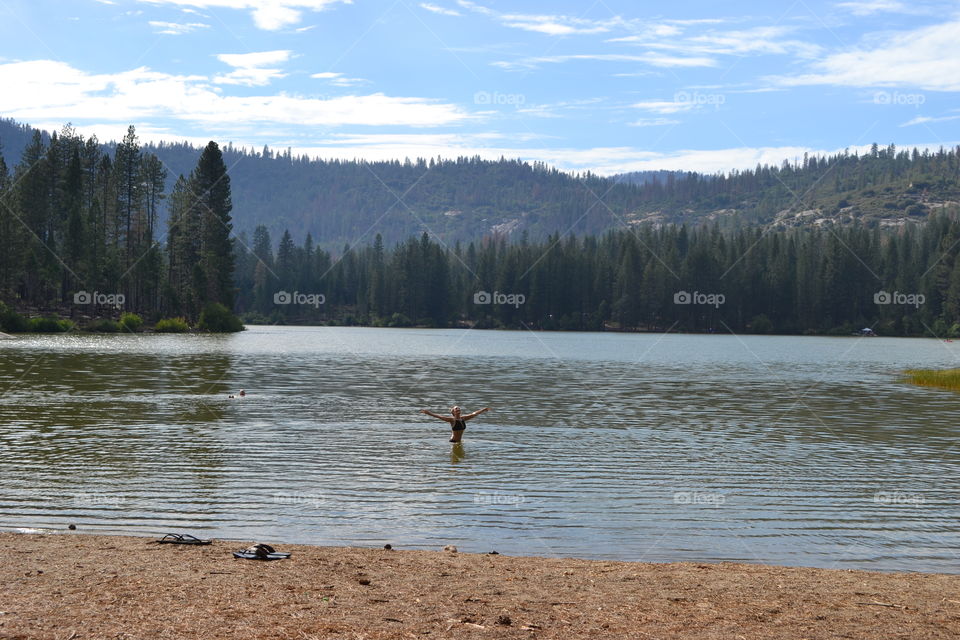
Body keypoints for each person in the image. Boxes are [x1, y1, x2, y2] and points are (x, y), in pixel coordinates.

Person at [421, 405, 490, 442]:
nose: (458, 409)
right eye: (456, 409)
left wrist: (483, 410)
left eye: (459, 408)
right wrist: (429, 413)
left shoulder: (463, 418)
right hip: (453, 442)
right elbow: (439, 417)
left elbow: (474, 414)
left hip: (459, 442)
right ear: (453, 412)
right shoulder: (452, 420)